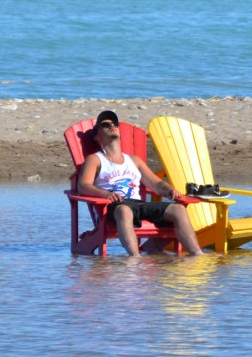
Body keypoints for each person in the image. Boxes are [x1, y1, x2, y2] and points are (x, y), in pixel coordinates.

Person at [78, 110, 203, 256]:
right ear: (97, 137)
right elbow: (83, 186)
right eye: (105, 125)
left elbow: (156, 184)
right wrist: (105, 194)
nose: (112, 126)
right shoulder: (95, 159)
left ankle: (197, 255)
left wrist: (169, 190)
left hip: (138, 205)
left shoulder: (134, 160)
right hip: (113, 206)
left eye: (114, 124)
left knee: (178, 209)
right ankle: (135, 258)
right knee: (124, 210)